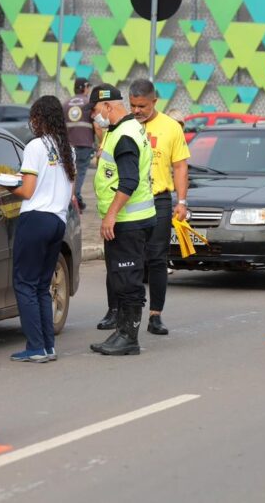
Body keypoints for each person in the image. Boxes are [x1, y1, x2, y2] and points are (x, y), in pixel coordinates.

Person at [96, 80, 189, 336]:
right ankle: (114, 309)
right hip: (126, 200)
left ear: (154, 102)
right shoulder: (122, 126)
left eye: (143, 106)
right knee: (119, 258)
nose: (137, 110)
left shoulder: (171, 128)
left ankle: (155, 315)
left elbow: (180, 166)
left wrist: (181, 201)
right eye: (133, 105)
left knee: (156, 258)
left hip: (157, 199)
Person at [4, 96, 76, 363]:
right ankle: (47, 346)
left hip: (35, 219)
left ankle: (35, 347)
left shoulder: (35, 146)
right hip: (58, 220)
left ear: (38, 118)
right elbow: (70, 190)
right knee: (41, 286)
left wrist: (6, 184)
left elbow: (27, 190)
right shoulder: (67, 148)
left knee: (24, 284)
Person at [89, 84, 156, 356]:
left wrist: (112, 215)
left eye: (95, 110)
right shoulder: (123, 129)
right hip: (133, 219)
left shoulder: (125, 135)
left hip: (129, 220)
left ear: (107, 106)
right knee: (122, 277)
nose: (94, 116)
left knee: (128, 279)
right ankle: (122, 331)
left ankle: (129, 337)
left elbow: (129, 180)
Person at [64, 77, 101, 210]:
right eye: (88, 87)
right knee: (80, 173)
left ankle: (71, 197)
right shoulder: (89, 103)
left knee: (69, 173)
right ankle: (76, 198)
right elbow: (97, 126)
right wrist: (101, 143)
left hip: (68, 145)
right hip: (84, 144)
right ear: (84, 87)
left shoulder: (66, 103)